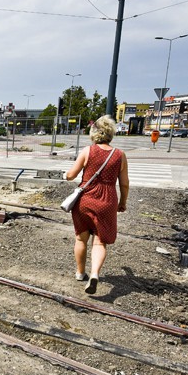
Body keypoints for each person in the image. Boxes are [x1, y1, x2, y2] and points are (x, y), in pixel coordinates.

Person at [63, 115, 130, 294]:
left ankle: (80, 273)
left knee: (80, 238)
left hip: (85, 199)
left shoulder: (88, 151)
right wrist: (122, 202)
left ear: (94, 133)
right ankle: (94, 274)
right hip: (107, 201)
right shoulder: (119, 155)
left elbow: (71, 175)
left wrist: (65, 175)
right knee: (100, 242)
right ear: (111, 133)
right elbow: (124, 183)